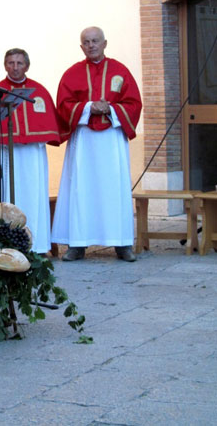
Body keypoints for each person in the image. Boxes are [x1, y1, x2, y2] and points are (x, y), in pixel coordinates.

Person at [51, 27, 142, 262]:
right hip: (84, 140)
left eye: (95, 41)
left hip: (112, 138)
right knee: (81, 189)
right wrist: (88, 107)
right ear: (81, 47)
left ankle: (122, 244)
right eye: (86, 42)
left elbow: (133, 103)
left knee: (116, 189)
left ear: (105, 43)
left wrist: (111, 109)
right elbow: (63, 104)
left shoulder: (120, 71)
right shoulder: (72, 74)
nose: (91, 45)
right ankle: (77, 245)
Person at [0, 48, 63, 256]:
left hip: (32, 155)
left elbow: (50, 122)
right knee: (6, 196)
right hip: (7, 153)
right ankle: (6, 244)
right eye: (10, 63)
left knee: (35, 196)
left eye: (19, 63)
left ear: (27, 65)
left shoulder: (39, 91)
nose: (15, 67)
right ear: (4, 65)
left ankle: (38, 245)